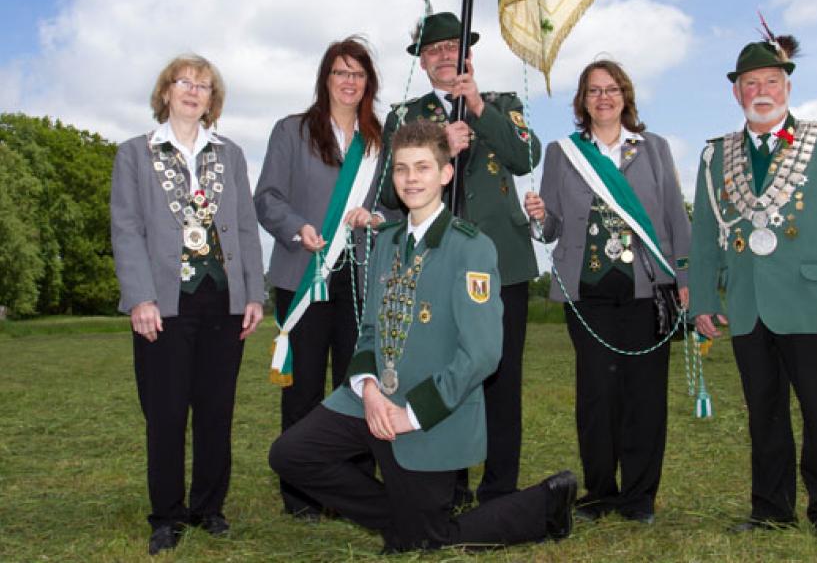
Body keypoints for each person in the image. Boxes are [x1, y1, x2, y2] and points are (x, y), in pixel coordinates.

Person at [269, 120, 577, 552]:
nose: (411, 179)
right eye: (401, 169)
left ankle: (544, 503)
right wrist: (370, 390)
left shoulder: (471, 247)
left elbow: (483, 354)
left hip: (430, 412)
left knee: (428, 540)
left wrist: (410, 414)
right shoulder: (386, 243)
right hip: (370, 400)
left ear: (445, 174)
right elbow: (371, 331)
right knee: (289, 455)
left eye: (423, 168)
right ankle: (400, 519)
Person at [689, 29, 817, 547]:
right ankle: (770, 508)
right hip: (748, 304)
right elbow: (706, 234)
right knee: (763, 413)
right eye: (750, 83)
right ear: (737, 92)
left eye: (771, 79)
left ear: (786, 86)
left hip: (812, 302)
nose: (761, 89)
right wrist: (704, 299)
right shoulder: (716, 156)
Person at [380, 11, 541, 506]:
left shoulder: (502, 103)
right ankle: (447, 484)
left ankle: (499, 489)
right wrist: (437, 145)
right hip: (433, 264)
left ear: (468, 53)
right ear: (422, 62)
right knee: (440, 371)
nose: (445, 56)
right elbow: (390, 191)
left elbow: (526, 157)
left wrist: (476, 106)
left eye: (453, 46)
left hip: (502, 263)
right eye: (434, 50)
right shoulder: (405, 118)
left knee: (499, 376)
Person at [524, 59, 691, 524]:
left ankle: (639, 497)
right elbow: (551, 228)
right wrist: (539, 216)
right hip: (588, 293)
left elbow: (676, 218)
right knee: (597, 395)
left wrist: (685, 279)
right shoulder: (563, 153)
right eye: (594, 90)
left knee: (645, 394)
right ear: (582, 100)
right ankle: (600, 493)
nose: (604, 98)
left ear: (625, 96)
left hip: (645, 290)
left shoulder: (653, 148)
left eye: (612, 89)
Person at [110, 54, 265, 555]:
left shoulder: (232, 154)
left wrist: (253, 293)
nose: (194, 91)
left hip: (224, 302)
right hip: (164, 304)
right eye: (185, 82)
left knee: (217, 412)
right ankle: (167, 516)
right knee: (167, 413)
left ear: (212, 99)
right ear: (166, 91)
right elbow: (127, 229)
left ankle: (208, 509)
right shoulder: (135, 153)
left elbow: (245, 226)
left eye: (204, 85)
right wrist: (139, 297)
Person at [254, 37, 384, 518]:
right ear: (325, 79)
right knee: (304, 388)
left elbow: (395, 201)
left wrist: (374, 214)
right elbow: (268, 197)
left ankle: (350, 487)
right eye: (339, 72)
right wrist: (296, 229)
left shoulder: (380, 140)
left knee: (357, 385)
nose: (349, 81)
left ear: (368, 81)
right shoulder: (291, 131)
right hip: (303, 275)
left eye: (358, 73)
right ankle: (302, 493)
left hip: (361, 279)